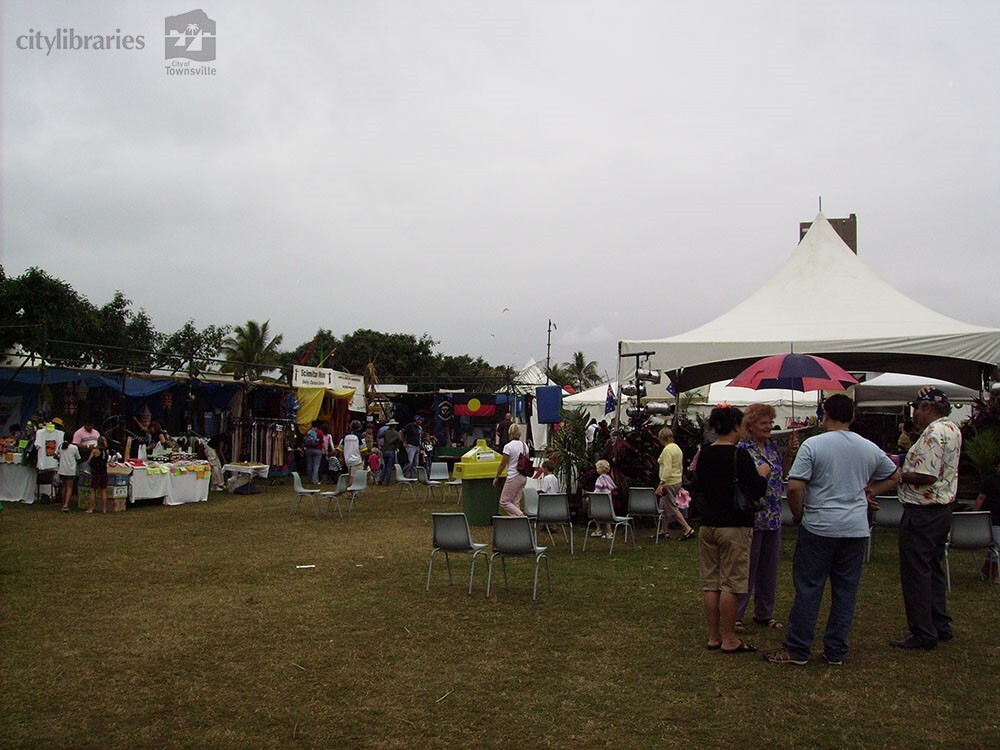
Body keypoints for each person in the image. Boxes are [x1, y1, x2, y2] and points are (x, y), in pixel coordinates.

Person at [765, 394, 899, 666]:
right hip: (855, 528)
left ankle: (799, 648)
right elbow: (894, 475)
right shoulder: (868, 447)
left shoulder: (813, 445)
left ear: (824, 414)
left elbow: (794, 486)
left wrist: (799, 513)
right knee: (846, 590)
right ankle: (836, 650)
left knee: (809, 587)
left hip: (820, 526)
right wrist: (869, 491)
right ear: (852, 417)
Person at [891, 387, 962, 650]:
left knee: (916, 572)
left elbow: (927, 475)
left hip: (923, 509)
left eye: (917, 408)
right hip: (941, 509)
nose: (915, 414)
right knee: (933, 568)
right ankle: (940, 622)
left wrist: (898, 473)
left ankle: (923, 631)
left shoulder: (933, 433)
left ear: (927, 408)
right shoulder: (952, 428)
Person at [695, 405, 769, 654]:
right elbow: (758, 489)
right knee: (731, 583)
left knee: (711, 582)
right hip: (734, 526)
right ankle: (729, 639)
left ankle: (714, 635)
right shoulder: (740, 456)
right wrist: (763, 474)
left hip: (708, 524)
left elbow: (698, 487)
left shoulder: (705, 454)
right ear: (737, 426)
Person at [735, 404, 798, 631]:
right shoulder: (742, 449)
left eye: (770, 423)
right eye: (764, 423)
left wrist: (789, 455)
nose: (769, 427)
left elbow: (782, 473)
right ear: (750, 426)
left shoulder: (771, 448)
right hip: (752, 515)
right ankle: (737, 614)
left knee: (769, 568)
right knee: (747, 567)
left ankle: (764, 612)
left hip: (773, 515)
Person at [654, 427, 696, 541]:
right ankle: (664, 530)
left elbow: (667, 467)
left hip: (669, 481)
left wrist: (662, 482)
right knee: (663, 505)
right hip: (677, 479)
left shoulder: (667, 450)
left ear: (662, 438)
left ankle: (687, 528)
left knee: (671, 506)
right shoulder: (677, 448)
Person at [972, 454, 1000, 582]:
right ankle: (992, 573)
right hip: (992, 519)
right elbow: (981, 498)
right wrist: (974, 515)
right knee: (996, 545)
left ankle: (986, 570)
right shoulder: (990, 481)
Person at [493, 423, 528, 516]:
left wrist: (497, 476)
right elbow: (527, 460)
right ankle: (517, 525)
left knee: (504, 501)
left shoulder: (508, 447)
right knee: (515, 502)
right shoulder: (525, 446)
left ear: (509, 433)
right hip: (523, 476)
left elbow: (503, 464)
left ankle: (521, 516)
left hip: (513, 475)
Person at [591, 459, 618, 538]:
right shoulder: (608, 478)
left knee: (596, 514)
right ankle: (609, 532)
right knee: (607, 517)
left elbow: (597, 490)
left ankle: (598, 529)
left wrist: (592, 497)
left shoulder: (600, 479)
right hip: (608, 500)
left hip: (600, 500)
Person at [57, 435, 81, 512]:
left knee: (64, 487)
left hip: (62, 470)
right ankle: (66, 505)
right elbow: (78, 458)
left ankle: (63, 503)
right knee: (69, 488)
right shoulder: (74, 448)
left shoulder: (60, 446)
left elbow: (56, 455)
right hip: (70, 471)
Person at [87, 436, 110, 514]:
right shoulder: (106, 451)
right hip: (104, 472)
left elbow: (89, 461)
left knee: (93, 490)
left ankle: (90, 508)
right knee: (103, 491)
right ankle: (104, 509)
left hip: (97, 473)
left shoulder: (95, 451)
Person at [380, 420, 403, 486]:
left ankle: (381, 479)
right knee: (389, 467)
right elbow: (400, 440)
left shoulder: (385, 432)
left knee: (385, 465)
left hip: (384, 449)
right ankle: (387, 481)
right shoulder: (396, 433)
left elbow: (380, 436)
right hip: (391, 449)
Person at [302, 421, 324, 485]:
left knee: (309, 465)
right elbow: (322, 442)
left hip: (309, 449)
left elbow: (304, 441)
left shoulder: (308, 432)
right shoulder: (320, 432)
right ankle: (314, 480)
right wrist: (325, 449)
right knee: (316, 465)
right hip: (317, 450)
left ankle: (309, 479)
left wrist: (302, 449)